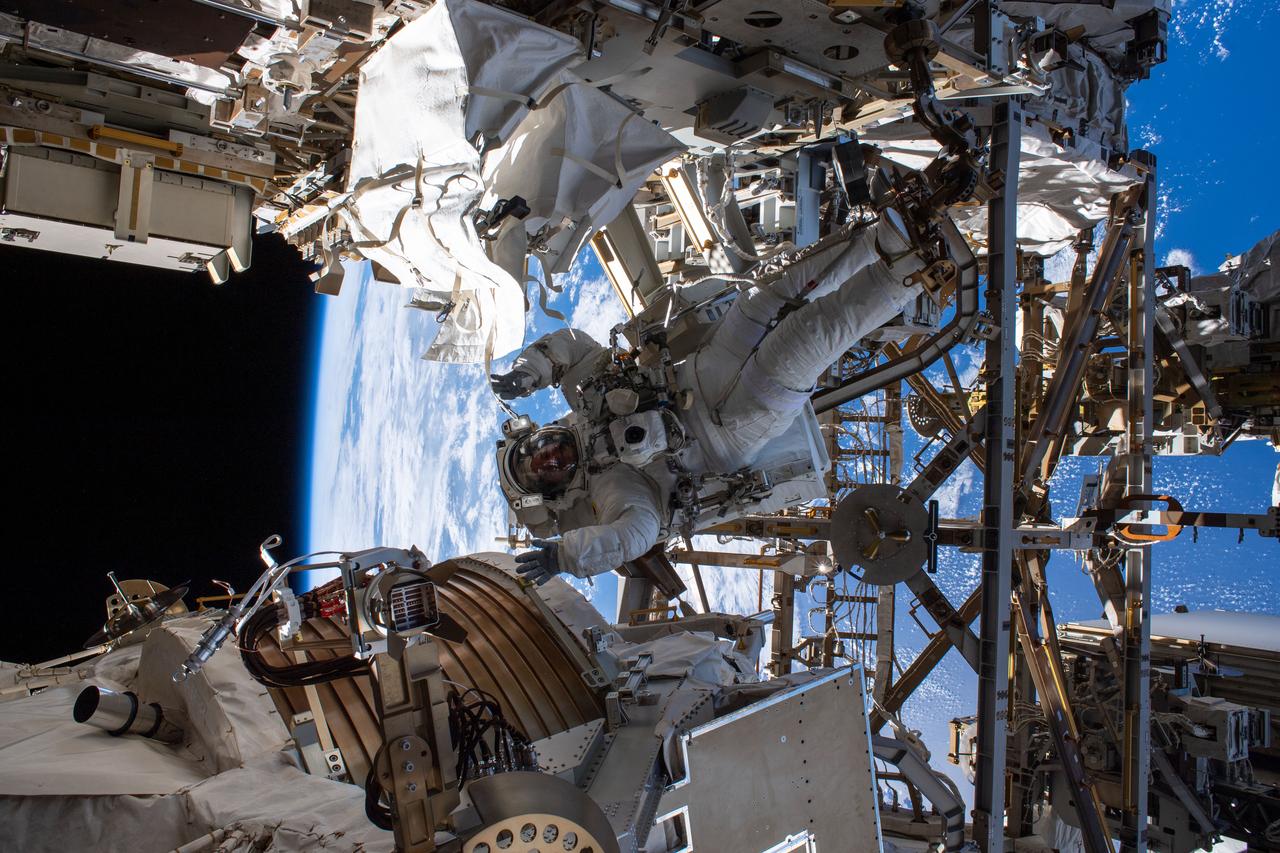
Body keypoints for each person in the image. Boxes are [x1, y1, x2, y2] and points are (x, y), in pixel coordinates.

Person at [494, 214, 931, 585]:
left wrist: (528, 371)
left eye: (534, 450)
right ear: (556, 491)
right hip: (728, 430)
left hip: (702, 372)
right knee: (803, 339)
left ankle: (884, 237)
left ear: (537, 433)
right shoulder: (609, 492)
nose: (548, 455)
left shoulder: (583, 405)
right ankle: (907, 272)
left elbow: (573, 347)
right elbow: (635, 534)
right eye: (544, 470)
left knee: (768, 296)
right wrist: (565, 557)